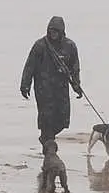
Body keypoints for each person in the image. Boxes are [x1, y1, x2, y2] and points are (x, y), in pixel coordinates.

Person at [20, 16, 83, 148]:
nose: (53, 34)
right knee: (46, 119)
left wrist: (76, 85)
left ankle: (47, 139)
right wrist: (25, 85)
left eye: (56, 31)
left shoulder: (70, 46)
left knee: (62, 119)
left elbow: (74, 67)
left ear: (62, 32)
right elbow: (30, 66)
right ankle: (49, 146)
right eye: (51, 31)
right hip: (44, 89)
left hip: (61, 88)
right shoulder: (40, 45)